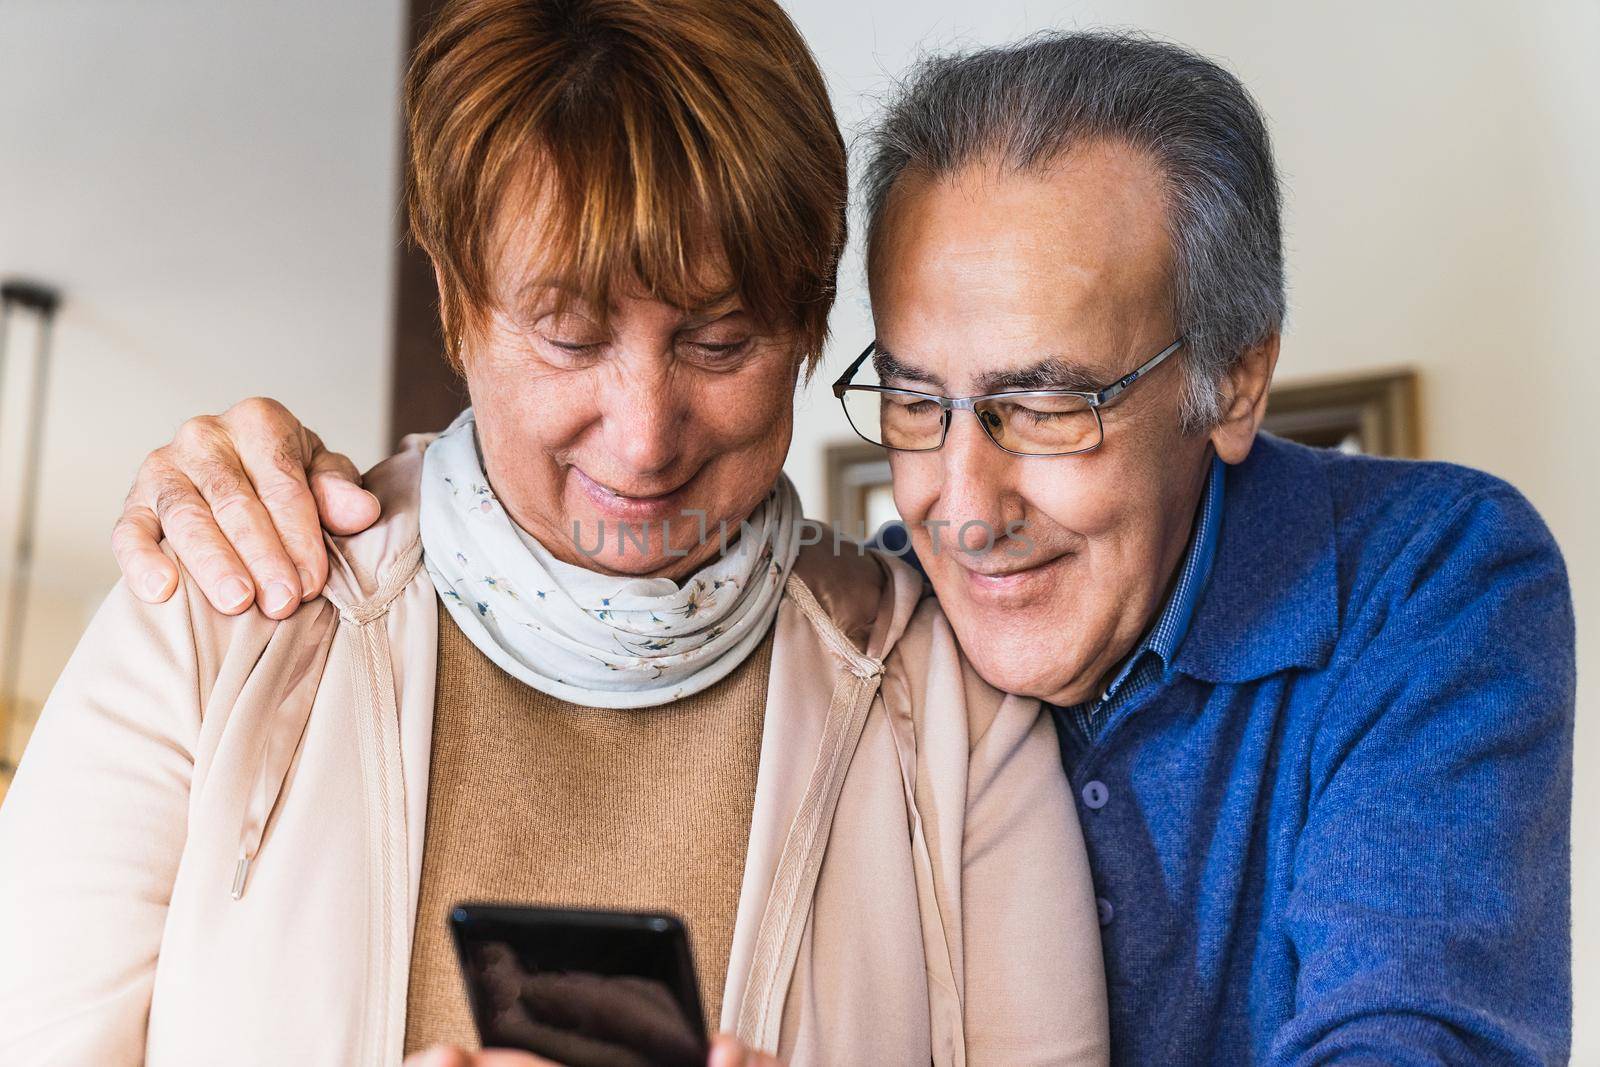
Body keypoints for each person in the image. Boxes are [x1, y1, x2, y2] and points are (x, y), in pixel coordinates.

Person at [109, 29, 1579, 1065]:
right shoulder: (906, 622)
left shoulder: (1425, 581)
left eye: (1047, 401)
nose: (963, 498)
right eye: (920, 400)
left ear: (1235, 379)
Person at [0, 4, 1112, 1065]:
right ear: (457, 297)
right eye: (570, 338)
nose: (641, 439)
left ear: (810, 322)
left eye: (719, 342)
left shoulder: (955, 716)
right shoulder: (216, 617)